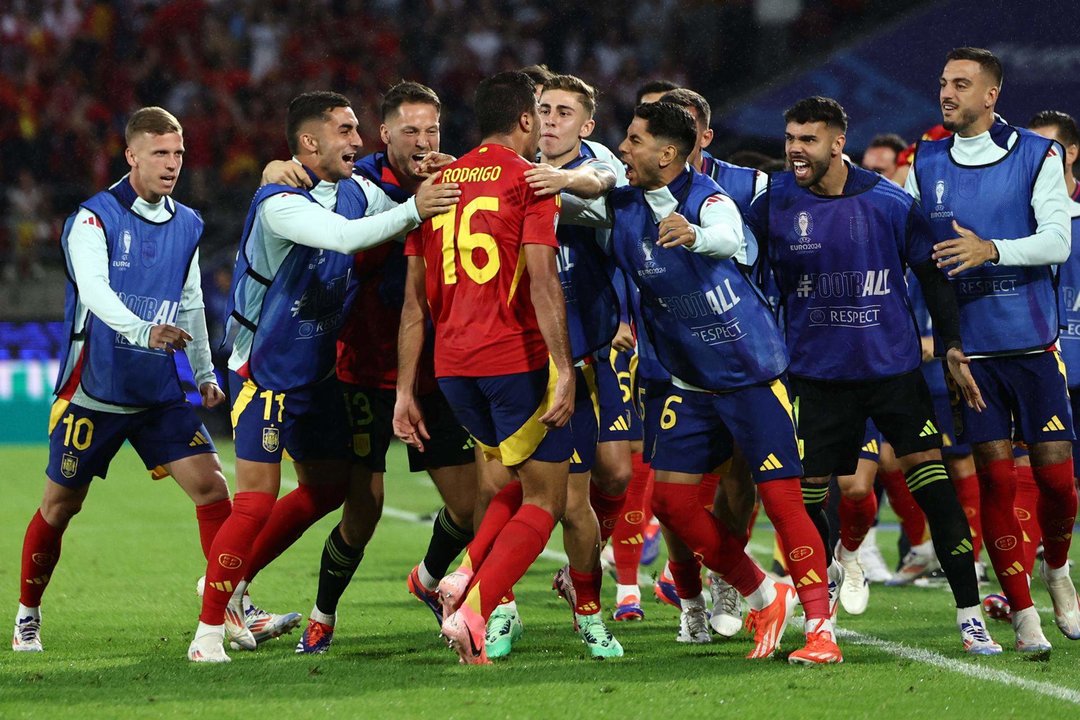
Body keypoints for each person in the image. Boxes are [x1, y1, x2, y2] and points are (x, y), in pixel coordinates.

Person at [563, 101, 843, 664]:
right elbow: (567, 203)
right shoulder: (620, 207)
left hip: (752, 375)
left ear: (668, 153)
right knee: (670, 501)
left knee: (783, 501)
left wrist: (691, 234)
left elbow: (725, 234)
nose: (624, 149)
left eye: (635, 141)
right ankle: (766, 592)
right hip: (689, 382)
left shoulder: (709, 200)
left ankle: (821, 632)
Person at [187, 91, 459, 663]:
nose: (356, 142)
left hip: (317, 375)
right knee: (256, 501)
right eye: (345, 131)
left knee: (327, 489)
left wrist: (436, 176)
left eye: (358, 130)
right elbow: (344, 237)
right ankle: (210, 630)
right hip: (262, 371)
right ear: (310, 143)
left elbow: (403, 204)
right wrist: (415, 207)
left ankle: (227, 583)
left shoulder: (358, 190)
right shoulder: (278, 202)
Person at [747, 95, 999, 655]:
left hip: (892, 374)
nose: (795, 150)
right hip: (815, 378)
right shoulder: (773, 203)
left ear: (838, 143)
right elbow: (741, 262)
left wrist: (953, 345)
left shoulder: (888, 203)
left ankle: (969, 615)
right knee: (810, 501)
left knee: (936, 492)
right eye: (790, 138)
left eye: (808, 140)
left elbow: (934, 277)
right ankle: (822, 608)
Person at [254, 82, 479, 654]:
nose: (424, 142)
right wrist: (277, 166)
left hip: (434, 373)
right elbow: (322, 203)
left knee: (471, 507)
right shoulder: (358, 182)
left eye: (432, 130)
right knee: (364, 507)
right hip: (360, 368)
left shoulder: (462, 181)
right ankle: (322, 615)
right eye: (411, 131)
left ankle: (429, 579)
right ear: (386, 135)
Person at [13, 107, 231, 653]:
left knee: (213, 489)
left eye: (178, 153)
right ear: (131, 155)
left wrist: (204, 372)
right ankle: (27, 614)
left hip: (156, 393)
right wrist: (143, 332)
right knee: (61, 507)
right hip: (95, 391)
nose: (172, 164)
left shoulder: (189, 224)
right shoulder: (92, 219)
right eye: (160, 153)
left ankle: (231, 604)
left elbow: (191, 302)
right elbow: (94, 291)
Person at [393, 70, 576, 665]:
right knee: (547, 500)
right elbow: (544, 281)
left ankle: (462, 576)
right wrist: (564, 368)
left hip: (452, 371)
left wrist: (404, 390)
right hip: (512, 359)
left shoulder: (438, 181)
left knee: (503, 484)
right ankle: (474, 611)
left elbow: (414, 303)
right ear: (525, 120)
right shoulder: (529, 180)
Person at [908, 47, 1080, 651]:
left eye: (961, 84)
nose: (947, 93)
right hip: (970, 353)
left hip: (1033, 346)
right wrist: (944, 341)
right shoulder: (924, 162)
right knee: (996, 482)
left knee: (1059, 484)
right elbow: (919, 264)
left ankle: (1057, 570)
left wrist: (991, 250)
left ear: (991, 96)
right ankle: (1026, 612)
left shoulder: (1039, 155)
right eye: (942, 82)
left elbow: (1058, 241)